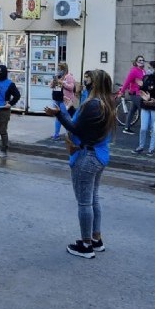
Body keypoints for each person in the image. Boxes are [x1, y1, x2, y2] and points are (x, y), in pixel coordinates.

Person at [44, 69, 115, 258]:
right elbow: (83, 122)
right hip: (99, 155)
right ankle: (96, 239)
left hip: (87, 156)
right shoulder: (106, 102)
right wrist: (63, 105)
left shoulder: (92, 104)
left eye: (88, 79)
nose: (84, 82)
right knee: (93, 199)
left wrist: (58, 114)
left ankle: (86, 245)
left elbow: (75, 127)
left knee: (85, 203)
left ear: (96, 83)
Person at [132, 60, 155, 156]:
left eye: (150, 68)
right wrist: (142, 89)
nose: (148, 70)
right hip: (145, 104)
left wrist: (151, 96)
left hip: (154, 105)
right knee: (143, 128)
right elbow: (142, 90)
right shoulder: (146, 77)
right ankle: (141, 146)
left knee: (154, 128)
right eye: (148, 68)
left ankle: (151, 148)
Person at [117, 55, 145, 135]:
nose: (141, 62)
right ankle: (145, 130)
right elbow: (127, 82)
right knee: (143, 111)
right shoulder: (134, 71)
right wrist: (121, 92)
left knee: (132, 111)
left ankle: (126, 128)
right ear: (136, 62)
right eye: (139, 60)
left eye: (142, 60)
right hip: (135, 94)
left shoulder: (143, 71)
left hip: (140, 93)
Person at [50, 62, 76, 140]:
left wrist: (62, 83)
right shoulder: (58, 76)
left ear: (64, 69)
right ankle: (56, 134)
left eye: (60, 69)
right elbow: (51, 86)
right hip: (56, 98)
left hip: (64, 99)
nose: (59, 70)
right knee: (58, 117)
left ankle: (69, 135)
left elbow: (71, 87)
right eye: (58, 69)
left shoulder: (69, 76)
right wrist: (54, 82)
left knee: (66, 117)